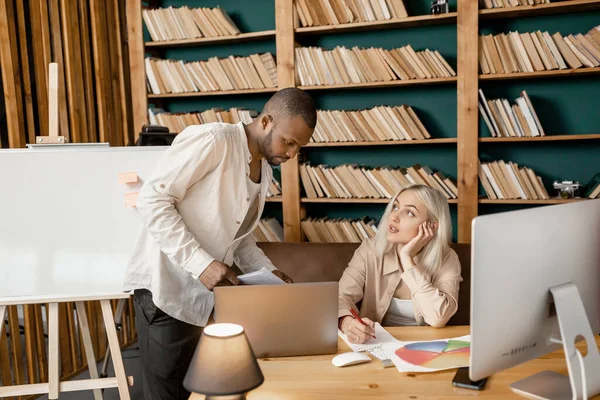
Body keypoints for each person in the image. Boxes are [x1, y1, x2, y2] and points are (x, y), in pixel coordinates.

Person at [123, 87, 317, 400]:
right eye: (289, 141)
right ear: (266, 121)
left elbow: (238, 239)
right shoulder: (214, 140)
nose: (292, 154)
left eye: (298, 147)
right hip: (165, 291)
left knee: (197, 395)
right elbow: (153, 200)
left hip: (202, 302)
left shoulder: (264, 169)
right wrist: (201, 264)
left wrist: (268, 272)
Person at [338, 184, 462, 344]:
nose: (394, 217)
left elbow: (438, 318)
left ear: (431, 226)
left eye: (409, 212)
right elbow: (340, 297)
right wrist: (347, 323)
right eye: (395, 207)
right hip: (374, 346)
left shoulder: (447, 258)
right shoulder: (369, 249)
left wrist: (407, 258)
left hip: (424, 348)